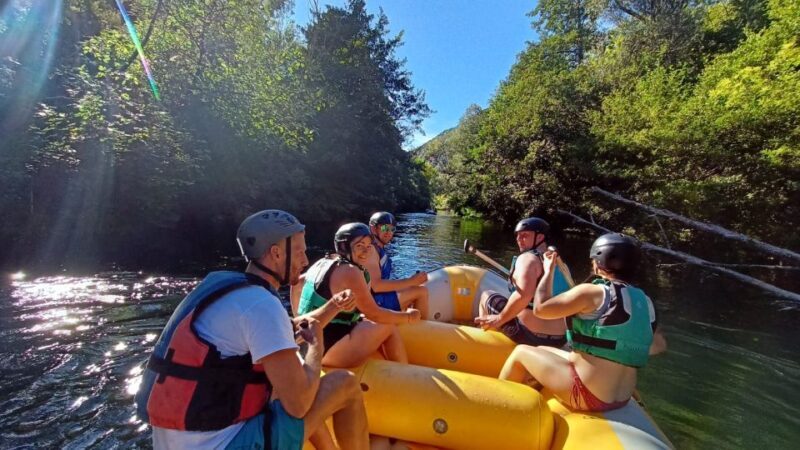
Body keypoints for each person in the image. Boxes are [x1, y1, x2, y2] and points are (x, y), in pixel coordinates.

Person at [135, 210, 369, 450]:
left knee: (283, 385)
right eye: (300, 251)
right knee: (344, 384)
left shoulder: (227, 289)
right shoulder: (262, 305)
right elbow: (299, 405)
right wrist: (316, 347)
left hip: (181, 442)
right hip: (223, 445)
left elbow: (287, 327)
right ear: (276, 253)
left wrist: (332, 307)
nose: (305, 260)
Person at [499, 233, 667, 412]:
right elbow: (658, 345)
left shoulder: (593, 292)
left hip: (586, 394)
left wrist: (548, 271)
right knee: (541, 351)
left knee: (521, 352)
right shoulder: (646, 302)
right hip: (623, 396)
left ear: (599, 259)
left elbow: (541, 309)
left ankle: (498, 406)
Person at [295, 222, 421, 369]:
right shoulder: (351, 271)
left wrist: (299, 314)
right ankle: (405, 375)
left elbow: (297, 283)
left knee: (367, 322)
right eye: (360, 246)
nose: (366, 251)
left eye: (369, 246)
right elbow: (376, 315)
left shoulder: (321, 262)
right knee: (388, 325)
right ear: (344, 247)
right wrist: (408, 317)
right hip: (326, 350)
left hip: (305, 346)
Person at [474, 217, 569, 347]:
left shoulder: (527, 259)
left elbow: (524, 295)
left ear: (540, 237)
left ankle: (485, 342)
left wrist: (499, 318)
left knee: (486, 295)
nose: (519, 239)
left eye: (524, 235)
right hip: (559, 340)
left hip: (529, 335)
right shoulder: (560, 264)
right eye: (518, 236)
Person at [364, 211, 429, 319]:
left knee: (414, 287)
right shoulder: (371, 251)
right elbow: (376, 286)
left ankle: (409, 320)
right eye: (385, 228)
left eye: (392, 229)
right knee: (421, 291)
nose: (389, 232)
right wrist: (410, 281)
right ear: (373, 228)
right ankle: (423, 330)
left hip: (379, 298)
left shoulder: (378, 248)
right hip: (376, 303)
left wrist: (410, 283)